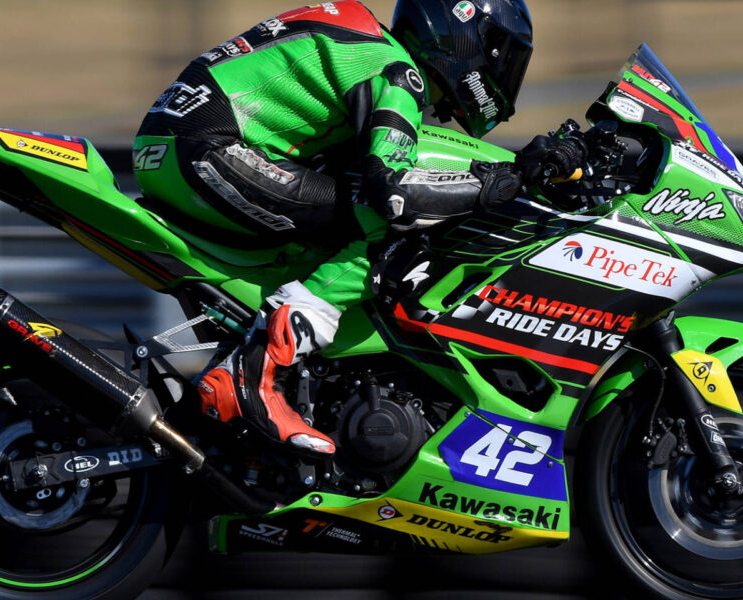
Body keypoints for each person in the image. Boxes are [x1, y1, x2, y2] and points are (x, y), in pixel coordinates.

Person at [133, 0, 586, 456]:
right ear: (467, 37)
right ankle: (254, 368)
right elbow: (395, 193)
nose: (503, 73)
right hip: (210, 152)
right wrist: (503, 181)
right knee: (396, 223)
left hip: (177, 147)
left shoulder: (367, 43)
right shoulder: (397, 73)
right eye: (503, 56)